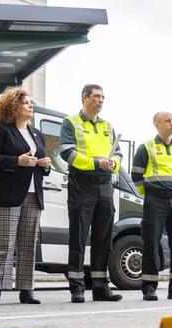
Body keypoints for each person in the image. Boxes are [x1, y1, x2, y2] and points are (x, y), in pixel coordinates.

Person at [0, 88, 51, 306]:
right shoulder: (1, 129)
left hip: (33, 194)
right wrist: (16, 161)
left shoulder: (36, 134)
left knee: (27, 244)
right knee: (4, 243)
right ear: (13, 107)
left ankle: (26, 289)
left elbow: (39, 162)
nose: (31, 106)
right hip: (6, 194)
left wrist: (45, 165)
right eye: (26, 103)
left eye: (31, 102)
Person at [59, 84, 123, 303]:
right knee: (77, 238)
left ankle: (100, 287)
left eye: (103, 97)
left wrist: (113, 164)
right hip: (81, 186)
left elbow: (119, 154)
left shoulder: (108, 126)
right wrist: (98, 163)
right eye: (96, 96)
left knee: (103, 239)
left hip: (105, 186)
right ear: (84, 98)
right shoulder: (71, 123)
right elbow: (68, 153)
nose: (101, 100)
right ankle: (77, 287)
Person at [131, 112, 172, 301]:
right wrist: (150, 194)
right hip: (154, 200)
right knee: (151, 243)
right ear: (157, 124)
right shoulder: (146, 147)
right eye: (167, 121)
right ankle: (149, 287)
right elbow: (136, 177)